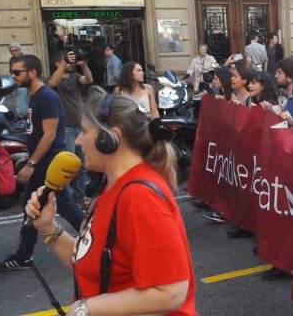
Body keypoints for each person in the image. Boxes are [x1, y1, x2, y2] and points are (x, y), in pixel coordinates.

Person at [24, 89, 197, 314]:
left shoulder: (140, 198)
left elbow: (170, 292)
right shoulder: (116, 187)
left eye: (85, 131)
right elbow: (95, 266)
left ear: (110, 138)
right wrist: (48, 229)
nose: (77, 140)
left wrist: (85, 309)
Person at [0, 55, 85, 271]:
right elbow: (35, 133)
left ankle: (101, 243)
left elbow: (50, 135)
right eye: (12, 72)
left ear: (32, 73)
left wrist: (32, 163)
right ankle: (24, 255)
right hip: (40, 164)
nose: (13, 76)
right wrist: (29, 158)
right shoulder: (32, 96)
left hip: (49, 166)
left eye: (17, 72)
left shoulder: (46, 97)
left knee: (67, 209)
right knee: (31, 209)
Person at [49, 50, 93, 206]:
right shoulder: (56, 79)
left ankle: (80, 197)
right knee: (67, 166)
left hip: (80, 126)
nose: (69, 62)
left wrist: (84, 65)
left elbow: (88, 79)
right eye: (65, 60)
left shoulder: (74, 77)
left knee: (82, 165)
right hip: (66, 128)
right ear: (57, 64)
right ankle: (66, 199)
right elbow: (52, 84)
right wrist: (63, 65)